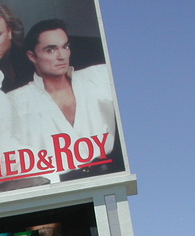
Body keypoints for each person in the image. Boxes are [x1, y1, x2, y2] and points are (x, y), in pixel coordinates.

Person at [8, 19, 119, 180]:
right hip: (58, 186)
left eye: (65, 47)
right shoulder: (14, 102)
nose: (62, 56)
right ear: (32, 56)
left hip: (111, 174)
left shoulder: (98, 76)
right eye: (50, 50)